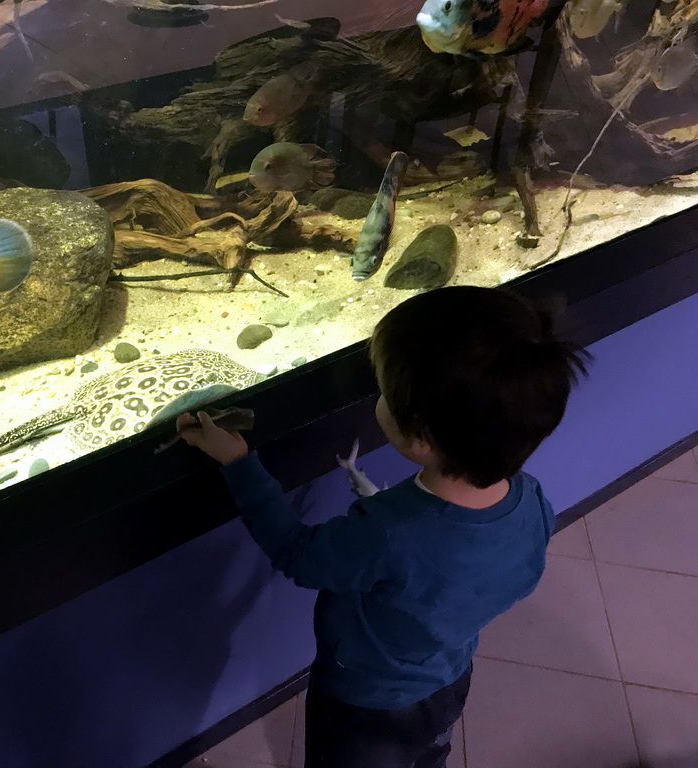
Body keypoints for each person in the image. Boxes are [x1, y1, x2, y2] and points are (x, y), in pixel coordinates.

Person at [176, 286, 590, 768]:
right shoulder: (531, 500)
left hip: (366, 700)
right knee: (427, 750)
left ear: (418, 438)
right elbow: (499, 571)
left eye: (385, 392)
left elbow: (298, 553)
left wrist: (238, 463)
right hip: (449, 676)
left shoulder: (386, 532)